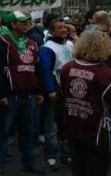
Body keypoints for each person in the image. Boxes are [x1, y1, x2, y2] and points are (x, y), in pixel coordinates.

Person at [59, 30, 111, 176]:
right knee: (96, 169)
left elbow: (59, 102)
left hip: (73, 127)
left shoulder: (67, 68)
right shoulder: (106, 75)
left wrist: (61, 129)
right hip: (96, 132)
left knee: (77, 168)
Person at [0, 11, 44, 175]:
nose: (27, 24)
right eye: (22, 21)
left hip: (29, 95)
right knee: (2, 131)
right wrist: (1, 95)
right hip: (10, 96)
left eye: (28, 21)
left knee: (28, 131)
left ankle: (28, 163)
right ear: (13, 24)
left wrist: (39, 90)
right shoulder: (1, 44)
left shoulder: (32, 43)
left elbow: (37, 69)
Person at [38, 17, 74, 170]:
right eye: (60, 28)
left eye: (65, 27)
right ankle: (51, 155)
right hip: (55, 91)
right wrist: (50, 90)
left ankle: (66, 155)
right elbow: (45, 70)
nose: (64, 30)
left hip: (70, 90)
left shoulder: (71, 44)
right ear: (52, 31)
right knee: (52, 125)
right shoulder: (48, 47)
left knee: (67, 124)